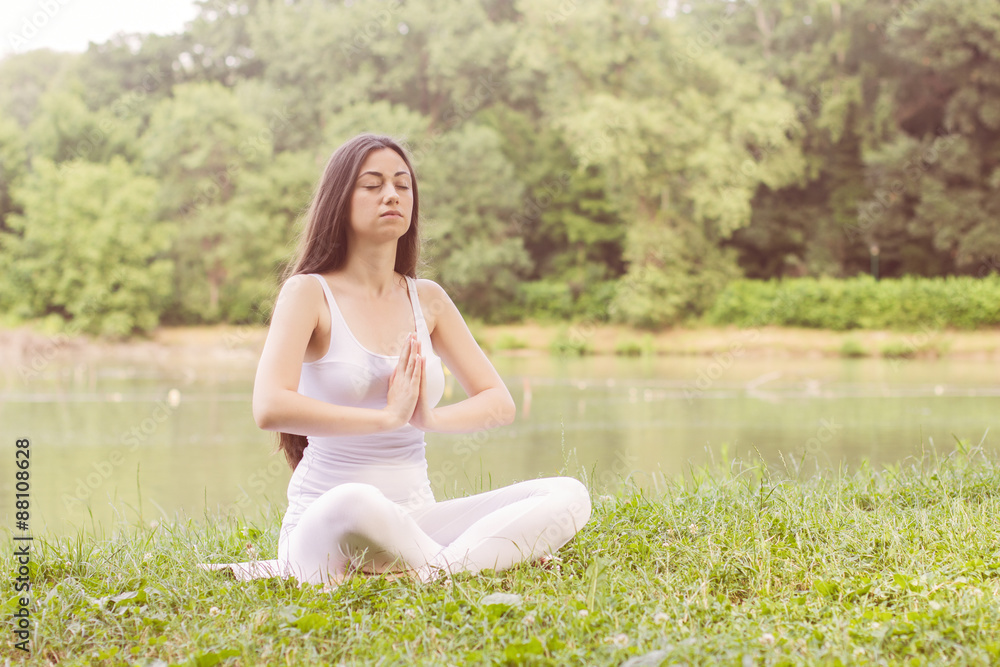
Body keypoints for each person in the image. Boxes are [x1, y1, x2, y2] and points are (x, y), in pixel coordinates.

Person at [198, 133, 591, 588]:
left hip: (415, 520)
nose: (392, 194)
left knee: (568, 494)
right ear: (339, 200)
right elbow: (269, 406)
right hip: (329, 521)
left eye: (403, 185)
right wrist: (387, 418)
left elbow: (499, 403)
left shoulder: (428, 300)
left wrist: (425, 417)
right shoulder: (309, 293)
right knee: (354, 501)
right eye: (373, 184)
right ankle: (466, 563)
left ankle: (433, 571)